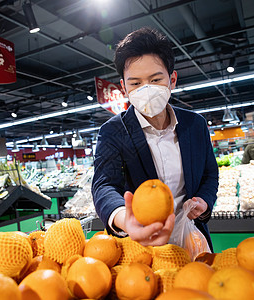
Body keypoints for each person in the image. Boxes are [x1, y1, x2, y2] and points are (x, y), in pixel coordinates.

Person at [92, 28, 219, 249]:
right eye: (135, 83)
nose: (146, 89)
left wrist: (204, 201)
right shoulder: (113, 131)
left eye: (155, 79)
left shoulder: (195, 125)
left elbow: (209, 173)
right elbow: (104, 186)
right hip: (140, 247)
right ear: (123, 87)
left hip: (192, 238)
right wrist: (125, 219)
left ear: (172, 80)